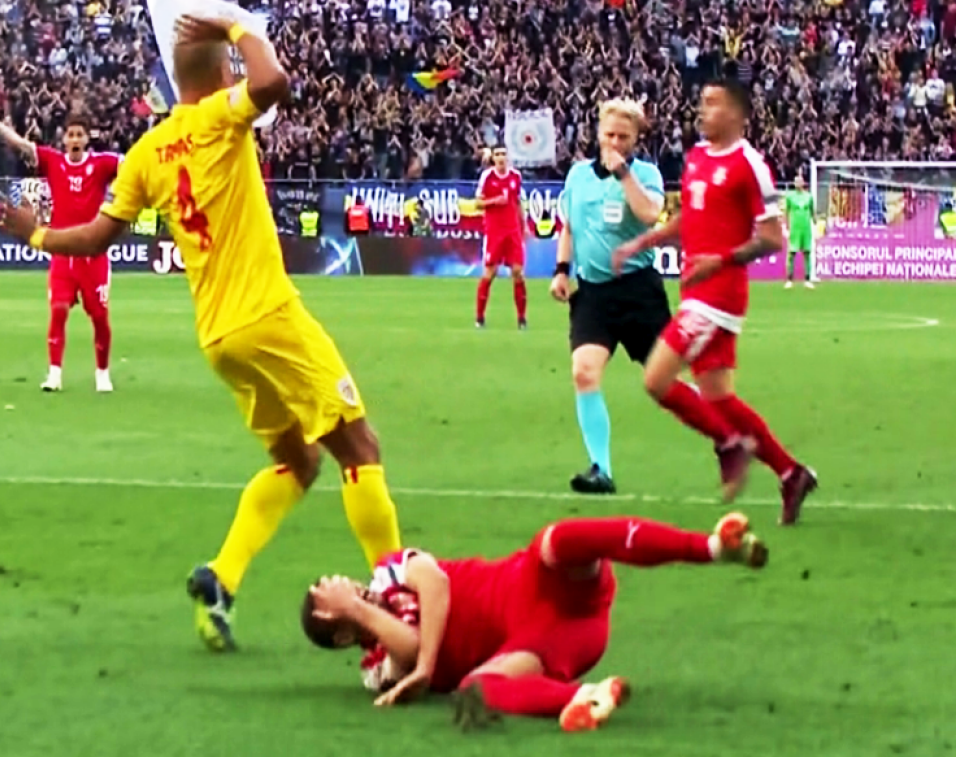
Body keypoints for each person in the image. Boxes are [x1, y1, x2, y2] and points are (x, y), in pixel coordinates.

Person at [0, 15, 402, 652]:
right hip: (268, 316)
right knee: (360, 448)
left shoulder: (146, 152)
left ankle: (222, 577)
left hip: (219, 338)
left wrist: (38, 234)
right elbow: (273, 83)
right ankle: (398, 597)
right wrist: (236, 24)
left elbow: (97, 237)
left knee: (298, 462)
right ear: (219, 73)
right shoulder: (220, 115)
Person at [302, 512, 768, 732]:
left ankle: (711, 548)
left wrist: (425, 665)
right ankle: (586, 697)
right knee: (475, 689)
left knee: (558, 539)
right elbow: (407, 650)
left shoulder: (388, 572)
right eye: (329, 594)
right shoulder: (376, 670)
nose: (338, 581)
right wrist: (361, 613)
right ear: (341, 634)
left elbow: (436, 584)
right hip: (538, 647)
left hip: (533, 586)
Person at [612, 79, 818, 525]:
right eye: (701, 102)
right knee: (719, 398)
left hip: (718, 295)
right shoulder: (697, 158)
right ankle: (791, 473)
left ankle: (728, 444)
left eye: (712, 103)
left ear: (737, 114)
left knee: (656, 379)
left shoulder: (750, 165)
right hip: (697, 290)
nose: (702, 110)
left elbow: (772, 238)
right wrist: (644, 241)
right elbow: (690, 218)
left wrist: (719, 261)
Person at [549, 99, 668, 495]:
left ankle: (726, 433)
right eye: (609, 135)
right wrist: (561, 271)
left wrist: (622, 173)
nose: (615, 142)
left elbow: (649, 214)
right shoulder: (578, 176)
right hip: (594, 294)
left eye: (624, 137)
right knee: (584, 372)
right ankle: (601, 469)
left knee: (666, 383)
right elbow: (568, 226)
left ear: (636, 140)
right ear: (598, 134)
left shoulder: (646, 174)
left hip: (638, 291)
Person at [0, 101, 120, 393]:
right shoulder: (53, 162)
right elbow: (19, 143)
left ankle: (102, 374)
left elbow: (135, 164)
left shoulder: (102, 164)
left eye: (80, 134)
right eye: (71, 134)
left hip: (92, 255)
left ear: (87, 138)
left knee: (99, 317)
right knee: (58, 311)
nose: (75, 140)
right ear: (64, 138)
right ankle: (54, 375)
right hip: (62, 251)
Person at [474, 145, 528, 330]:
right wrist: (494, 201)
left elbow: (518, 202)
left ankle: (522, 319)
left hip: (512, 231)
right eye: (497, 154)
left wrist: (524, 226)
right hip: (494, 232)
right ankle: (479, 317)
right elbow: (477, 203)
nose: (501, 157)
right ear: (493, 158)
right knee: (490, 273)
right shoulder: (487, 177)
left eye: (504, 154)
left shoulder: (516, 176)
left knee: (518, 272)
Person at [784, 174, 816, 289]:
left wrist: (816, 224)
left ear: (803, 183)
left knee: (807, 253)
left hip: (806, 228)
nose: (798, 183)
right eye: (796, 181)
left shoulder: (809, 196)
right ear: (794, 183)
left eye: (800, 181)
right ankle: (789, 279)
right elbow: (786, 212)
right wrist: (786, 226)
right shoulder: (790, 197)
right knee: (791, 253)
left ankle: (807, 279)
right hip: (795, 228)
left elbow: (812, 212)